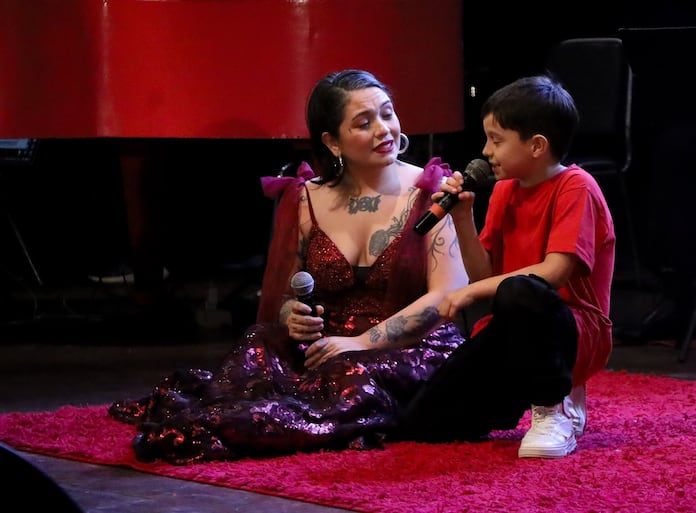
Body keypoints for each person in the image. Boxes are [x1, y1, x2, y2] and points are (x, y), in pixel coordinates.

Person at [107, 69, 469, 465]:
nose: (383, 129)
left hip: (406, 347)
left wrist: (359, 343)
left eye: (387, 114)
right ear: (332, 142)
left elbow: (447, 295)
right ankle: (239, 420)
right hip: (323, 346)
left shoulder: (434, 189)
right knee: (258, 343)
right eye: (364, 123)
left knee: (354, 380)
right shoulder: (305, 198)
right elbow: (282, 296)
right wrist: (291, 316)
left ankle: (249, 426)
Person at [397, 75, 615, 458]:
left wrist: (469, 292)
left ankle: (555, 405)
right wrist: (463, 218)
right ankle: (534, 390)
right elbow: (485, 277)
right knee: (424, 425)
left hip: (571, 329)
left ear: (536, 146)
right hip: (514, 326)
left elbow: (553, 273)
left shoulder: (577, 188)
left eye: (496, 140)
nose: (485, 151)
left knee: (523, 291)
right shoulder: (503, 190)